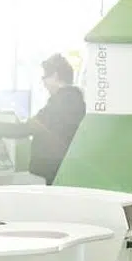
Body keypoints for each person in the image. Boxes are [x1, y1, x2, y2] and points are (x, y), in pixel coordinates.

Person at [21, 54, 87, 182]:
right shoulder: (76, 101)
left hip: (54, 173)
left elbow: (30, 128)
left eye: (44, 77)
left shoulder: (61, 102)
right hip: (66, 170)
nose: (43, 82)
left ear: (55, 76)